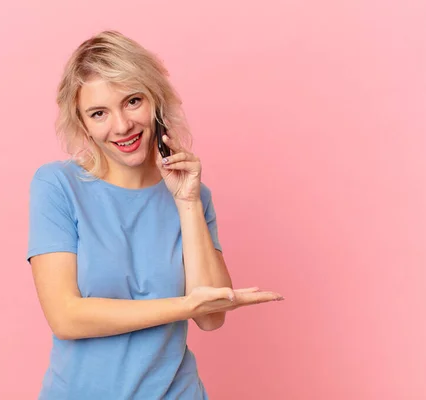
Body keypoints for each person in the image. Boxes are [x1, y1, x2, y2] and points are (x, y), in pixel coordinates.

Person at [26, 30, 284, 400]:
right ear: (83, 124)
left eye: (133, 101)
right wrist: (184, 306)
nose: (121, 125)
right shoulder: (58, 186)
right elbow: (66, 317)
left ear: (156, 101)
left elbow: (210, 317)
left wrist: (188, 202)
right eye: (99, 113)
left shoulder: (193, 196)